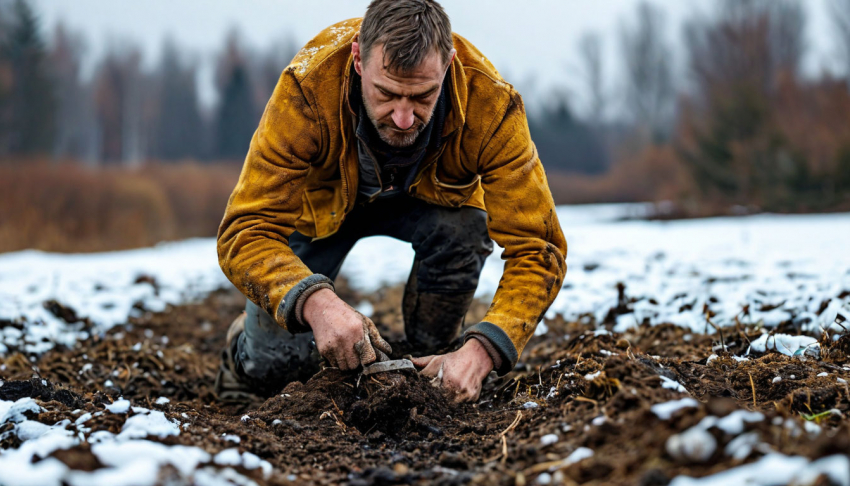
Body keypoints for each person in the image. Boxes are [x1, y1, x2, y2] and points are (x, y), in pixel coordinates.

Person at [215, 0, 567, 403]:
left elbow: (539, 247)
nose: (403, 117)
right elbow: (244, 230)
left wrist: (484, 350)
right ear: (358, 59)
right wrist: (317, 303)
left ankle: (436, 360)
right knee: (273, 369)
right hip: (319, 215)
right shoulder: (307, 89)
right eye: (386, 93)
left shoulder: (490, 104)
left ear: (448, 64)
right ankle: (243, 349)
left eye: (422, 96)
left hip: (432, 209)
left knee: (464, 229)